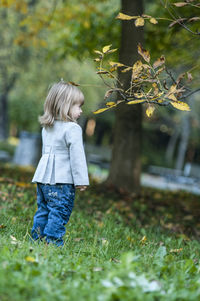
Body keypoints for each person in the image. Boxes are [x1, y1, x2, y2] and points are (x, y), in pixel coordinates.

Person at [31, 80, 89, 246]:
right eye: (78, 106)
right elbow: (77, 157)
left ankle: (36, 238)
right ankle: (53, 241)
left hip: (42, 178)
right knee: (59, 211)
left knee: (43, 210)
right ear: (65, 106)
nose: (81, 110)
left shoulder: (47, 127)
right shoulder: (73, 129)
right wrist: (81, 181)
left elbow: (45, 154)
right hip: (62, 181)